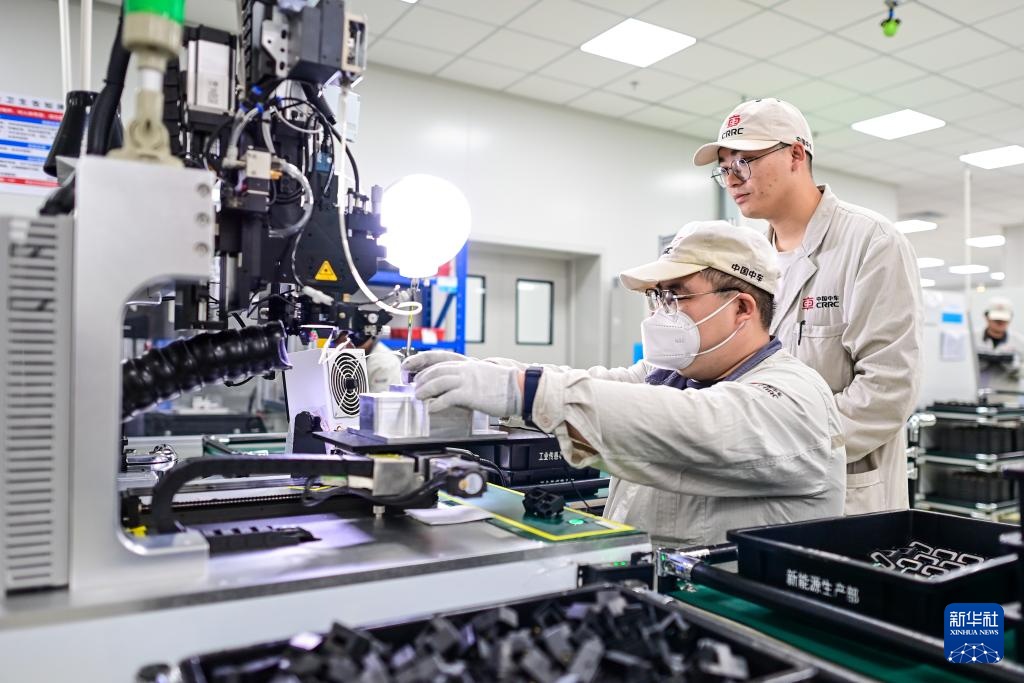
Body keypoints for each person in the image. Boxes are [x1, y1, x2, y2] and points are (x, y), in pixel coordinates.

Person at [404, 222, 845, 546]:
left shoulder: (795, 394)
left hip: (735, 623)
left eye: (675, 295)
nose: (660, 312)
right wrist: (487, 372)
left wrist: (523, 390)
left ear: (743, 308)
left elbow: (698, 424)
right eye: (656, 297)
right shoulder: (672, 379)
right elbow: (590, 385)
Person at [692, 98, 921, 516]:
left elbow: (888, 390)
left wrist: (778, 443)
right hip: (753, 488)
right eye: (724, 168)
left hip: (843, 492)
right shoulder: (747, 258)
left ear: (796, 154)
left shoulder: (872, 242)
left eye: (744, 162)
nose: (733, 179)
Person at [977, 297, 1024, 396]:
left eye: (1004, 319)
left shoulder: (1020, 342)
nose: (1000, 322)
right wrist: (976, 364)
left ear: (1010, 318)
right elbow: (959, 368)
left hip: (1008, 397)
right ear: (986, 317)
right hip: (976, 396)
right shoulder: (972, 339)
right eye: (996, 319)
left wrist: (1015, 368)